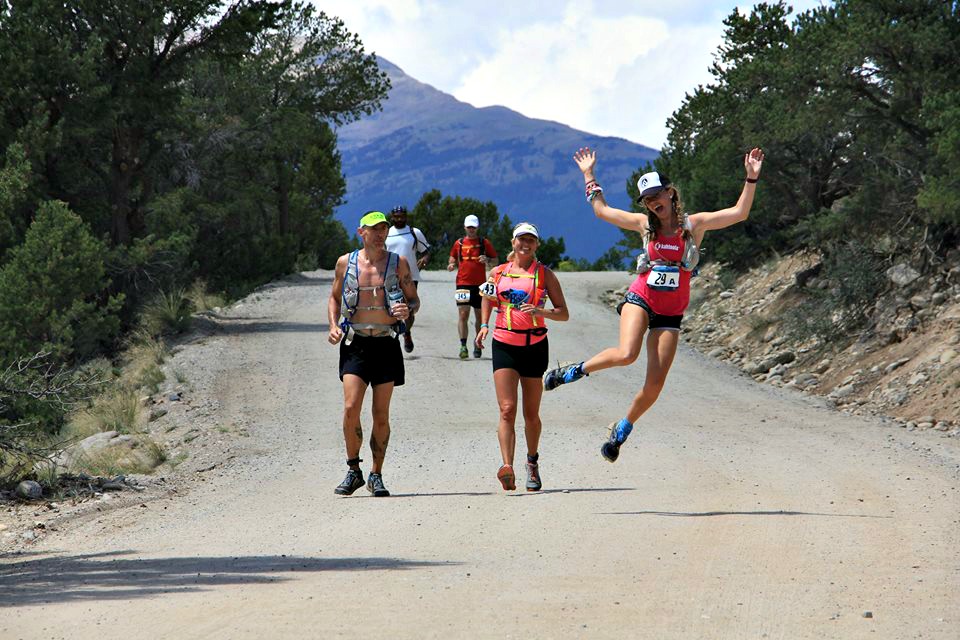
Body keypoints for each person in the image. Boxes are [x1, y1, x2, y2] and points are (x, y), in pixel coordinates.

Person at [543, 146, 765, 462]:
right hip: (641, 298)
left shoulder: (693, 226)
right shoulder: (643, 226)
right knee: (626, 353)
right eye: (647, 199)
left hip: (671, 313)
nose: (652, 202)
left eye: (657, 195)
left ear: (671, 193)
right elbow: (603, 211)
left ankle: (621, 429)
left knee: (654, 387)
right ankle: (574, 371)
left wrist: (751, 178)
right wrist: (589, 175)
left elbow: (739, 213)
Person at [328, 211, 420, 497]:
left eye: (383, 229)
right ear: (361, 232)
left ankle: (376, 474)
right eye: (374, 229)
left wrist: (408, 309)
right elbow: (334, 297)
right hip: (355, 342)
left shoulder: (398, 263)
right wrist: (333, 326)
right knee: (350, 407)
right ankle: (353, 469)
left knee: (381, 414)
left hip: (386, 343)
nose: (380, 234)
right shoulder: (346, 263)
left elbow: (413, 299)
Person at [476, 222, 569, 491]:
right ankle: (508, 466)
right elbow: (486, 297)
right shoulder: (498, 272)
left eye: (531, 240)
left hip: (534, 345)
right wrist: (484, 324)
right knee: (506, 409)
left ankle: (532, 462)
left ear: (537, 244)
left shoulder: (545, 275)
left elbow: (563, 313)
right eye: (521, 239)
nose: (525, 244)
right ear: (513, 242)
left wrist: (542, 313)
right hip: (504, 344)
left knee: (530, 414)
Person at [448, 214, 498, 359]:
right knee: (463, 314)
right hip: (462, 284)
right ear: (465, 227)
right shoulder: (459, 243)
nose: (471, 230)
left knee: (479, 316)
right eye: (469, 227)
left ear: (477, 228)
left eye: (473, 227)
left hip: (480, 285)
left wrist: (487, 259)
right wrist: (451, 264)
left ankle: (477, 343)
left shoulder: (484, 242)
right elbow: (452, 256)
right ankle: (463, 346)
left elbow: (496, 260)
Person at [386, 205, 430, 353]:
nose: (399, 219)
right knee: (391, 307)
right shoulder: (387, 233)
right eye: (396, 216)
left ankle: (407, 332)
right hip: (390, 276)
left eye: (402, 216)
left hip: (410, 277)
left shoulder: (414, 232)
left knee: (409, 309)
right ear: (392, 217)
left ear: (406, 216)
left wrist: (424, 259)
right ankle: (393, 336)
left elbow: (426, 251)